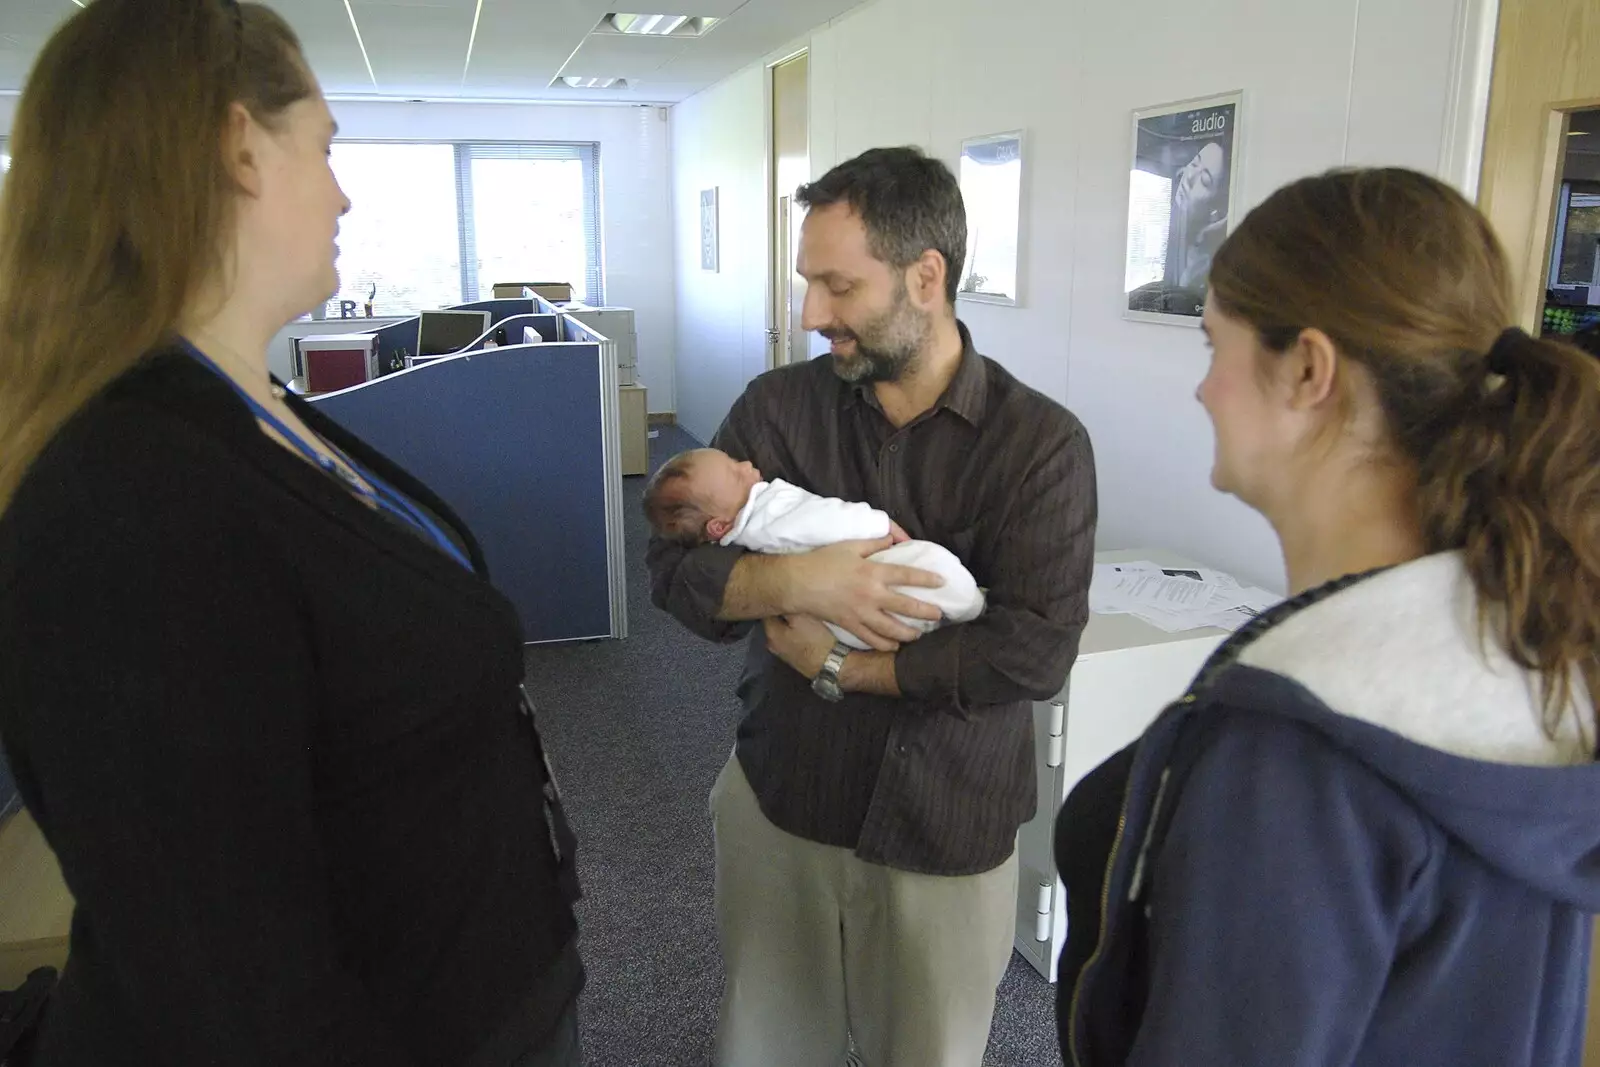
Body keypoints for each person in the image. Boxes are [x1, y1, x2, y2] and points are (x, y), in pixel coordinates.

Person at [0, 3, 583, 1065]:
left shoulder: (253, 404)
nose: (344, 189)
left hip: (479, 973)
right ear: (237, 149)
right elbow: (228, 980)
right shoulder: (123, 493)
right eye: (324, 147)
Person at [1056, 167, 1600, 1067]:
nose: (1203, 392)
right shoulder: (1535, 662)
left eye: (1213, 348)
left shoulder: (1298, 751)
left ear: (1308, 369)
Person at [647, 145, 1098, 1067]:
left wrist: (851, 665)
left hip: (945, 823)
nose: (812, 314)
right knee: (768, 1049)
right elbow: (672, 571)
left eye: (837, 286)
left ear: (925, 278)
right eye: (808, 283)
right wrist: (804, 584)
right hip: (785, 799)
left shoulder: (1041, 444)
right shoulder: (775, 411)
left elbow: (1034, 651)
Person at [641, 446, 986, 650]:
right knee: (932, 565)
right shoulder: (764, 515)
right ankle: (974, 604)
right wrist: (877, 523)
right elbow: (823, 521)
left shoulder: (740, 520)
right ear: (718, 526)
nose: (746, 465)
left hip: (839, 627)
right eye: (735, 473)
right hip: (846, 616)